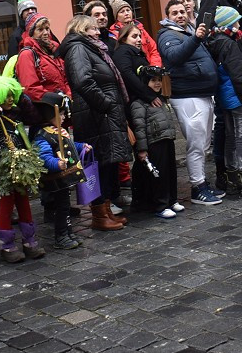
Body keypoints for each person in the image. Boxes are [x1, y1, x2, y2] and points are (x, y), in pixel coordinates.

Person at [58, 15, 132, 231]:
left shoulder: (92, 48)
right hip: (96, 115)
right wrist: (106, 104)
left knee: (107, 164)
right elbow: (83, 81)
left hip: (103, 115)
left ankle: (106, 211)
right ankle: (99, 215)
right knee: (98, 165)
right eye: (92, 28)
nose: (98, 32)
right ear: (80, 29)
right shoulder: (78, 48)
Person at [155, 0, 223, 205]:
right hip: (187, 96)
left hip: (201, 92)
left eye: (183, 11)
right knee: (196, 142)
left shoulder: (188, 31)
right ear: (168, 17)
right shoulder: (167, 35)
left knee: (203, 143)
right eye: (174, 13)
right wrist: (196, 39)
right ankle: (198, 187)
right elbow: (175, 57)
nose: (180, 15)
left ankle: (202, 182)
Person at [0, 75, 45, 263]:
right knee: (5, 205)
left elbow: (34, 117)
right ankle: (7, 246)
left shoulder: (15, 112)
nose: (10, 100)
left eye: (11, 95)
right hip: (1, 169)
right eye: (6, 96)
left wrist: (22, 97)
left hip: (20, 167)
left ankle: (30, 242)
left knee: (23, 201)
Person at [207, 6, 242, 198]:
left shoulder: (215, 40)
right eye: (236, 21)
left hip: (227, 96)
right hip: (237, 95)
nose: (238, 24)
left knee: (231, 137)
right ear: (229, 23)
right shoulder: (228, 44)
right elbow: (237, 73)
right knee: (241, 137)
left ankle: (232, 177)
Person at [33, 93, 87, 249]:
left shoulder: (58, 131)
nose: (64, 117)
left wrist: (81, 146)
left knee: (65, 206)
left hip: (65, 180)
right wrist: (57, 164)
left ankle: (68, 232)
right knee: (60, 208)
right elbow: (43, 157)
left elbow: (68, 146)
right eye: (61, 114)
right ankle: (61, 235)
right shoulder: (43, 135)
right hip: (56, 180)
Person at [127, 65, 182, 218]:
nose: (157, 83)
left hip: (166, 139)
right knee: (158, 175)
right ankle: (160, 204)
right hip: (154, 143)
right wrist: (142, 149)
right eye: (153, 80)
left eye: (159, 80)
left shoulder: (161, 99)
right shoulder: (139, 103)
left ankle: (171, 199)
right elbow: (139, 127)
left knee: (170, 172)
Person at [15, 13, 71, 105]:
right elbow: (30, 88)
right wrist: (56, 100)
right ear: (31, 33)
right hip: (46, 110)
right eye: (40, 29)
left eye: (47, 29)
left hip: (64, 106)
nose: (46, 33)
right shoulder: (27, 54)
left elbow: (65, 79)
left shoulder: (54, 50)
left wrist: (68, 96)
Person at [107, 0, 161, 66]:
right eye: (122, 12)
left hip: (148, 68)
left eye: (128, 10)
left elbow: (153, 49)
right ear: (116, 17)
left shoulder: (140, 28)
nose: (126, 13)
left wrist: (154, 67)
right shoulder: (114, 34)